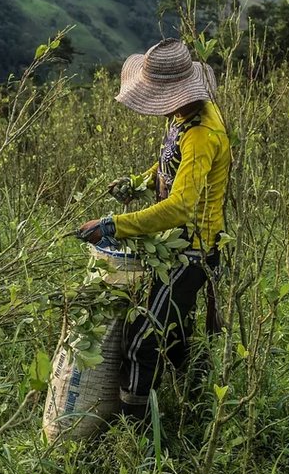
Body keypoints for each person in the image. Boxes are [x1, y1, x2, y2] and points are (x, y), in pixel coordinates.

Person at [79, 37, 230, 420]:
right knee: (174, 334)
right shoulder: (181, 118)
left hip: (190, 253)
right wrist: (139, 182)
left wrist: (113, 226)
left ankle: (137, 431)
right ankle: (183, 406)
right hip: (173, 247)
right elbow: (168, 168)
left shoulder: (202, 134)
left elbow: (180, 207)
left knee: (145, 340)